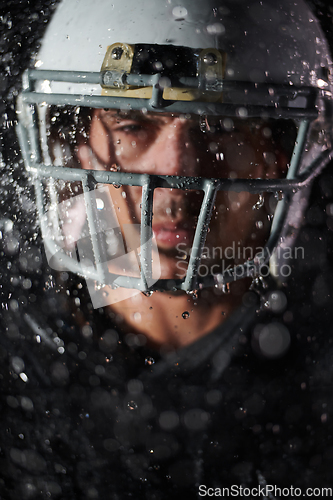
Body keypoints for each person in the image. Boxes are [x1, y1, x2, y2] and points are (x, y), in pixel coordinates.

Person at [1, 0, 333, 498]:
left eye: (221, 126)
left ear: (282, 154)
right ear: (75, 143)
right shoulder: (16, 351)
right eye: (132, 125)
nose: (176, 174)